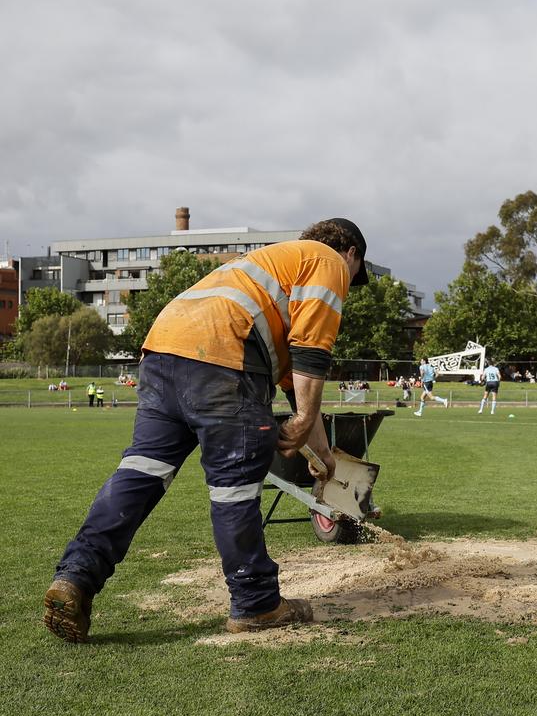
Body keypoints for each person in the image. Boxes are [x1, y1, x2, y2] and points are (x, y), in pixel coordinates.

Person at [43, 217, 370, 642]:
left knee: (140, 474)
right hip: (224, 357)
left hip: (164, 352)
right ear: (351, 252)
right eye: (355, 272)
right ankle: (256, 604)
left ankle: (75, 578)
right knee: (234, 487)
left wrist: (323, 453)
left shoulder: (270, 265)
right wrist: (306, 418)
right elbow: (311, 349)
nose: (349, 282)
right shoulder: (327, 260)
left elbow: (295, 386)